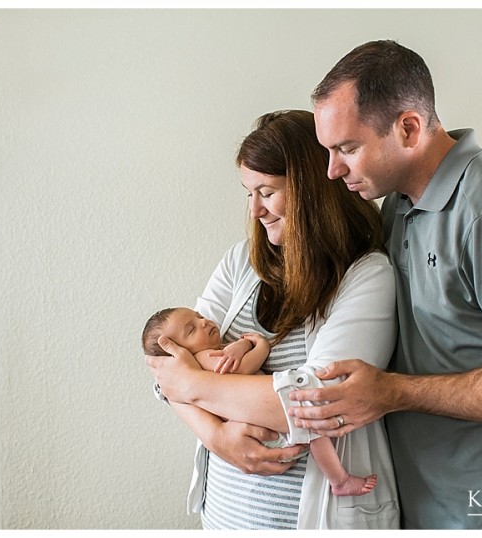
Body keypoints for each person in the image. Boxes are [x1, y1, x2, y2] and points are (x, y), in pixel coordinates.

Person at [287, 40, 482, 530]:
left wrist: (391, 392)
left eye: (347, 148)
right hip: (420, 507)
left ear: (408, 128)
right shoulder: (398, 206)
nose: (333, 170)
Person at [145, 110, 399, 529]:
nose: (256, 210)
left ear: (311, 191)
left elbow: (321, 402)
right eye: (249, 193)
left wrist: (196, 385)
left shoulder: (366, 274)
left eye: (266, 191)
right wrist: (216, 438)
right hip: (222, 517)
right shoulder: (240, 263)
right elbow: (166, 366)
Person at [142, 306, 378, 496]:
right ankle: (340, 480)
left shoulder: (209, 355)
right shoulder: (203, 359)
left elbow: (231, 357)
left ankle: (339, 480)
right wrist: (261, 346)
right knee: (312, 426)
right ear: (176, 352)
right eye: (191, 329)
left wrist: (241, 344)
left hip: (266, 426)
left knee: (311, 426)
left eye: (199, 316)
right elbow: (244, 367)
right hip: (265, 435)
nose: (204, 321)